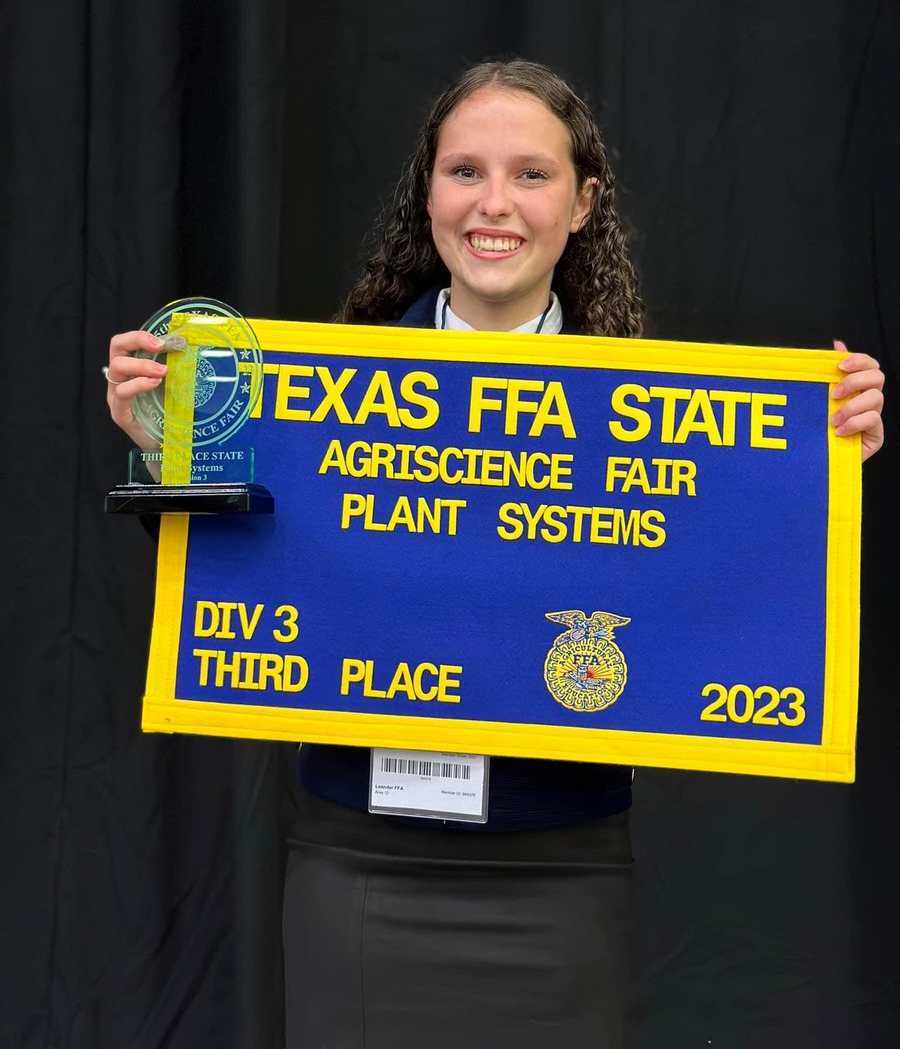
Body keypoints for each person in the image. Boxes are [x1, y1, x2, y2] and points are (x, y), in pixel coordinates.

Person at [105, 60, 885, 1049]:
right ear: (427, 194)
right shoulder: (309, 389)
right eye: (464, 171)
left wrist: (823, 472)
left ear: (583, 203)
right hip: (362, 865)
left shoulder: (677, 419)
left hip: (560, 871)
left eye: (532, 174)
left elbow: (736, 588)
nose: (494, 203)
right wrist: (161, 446)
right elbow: (247, 565)